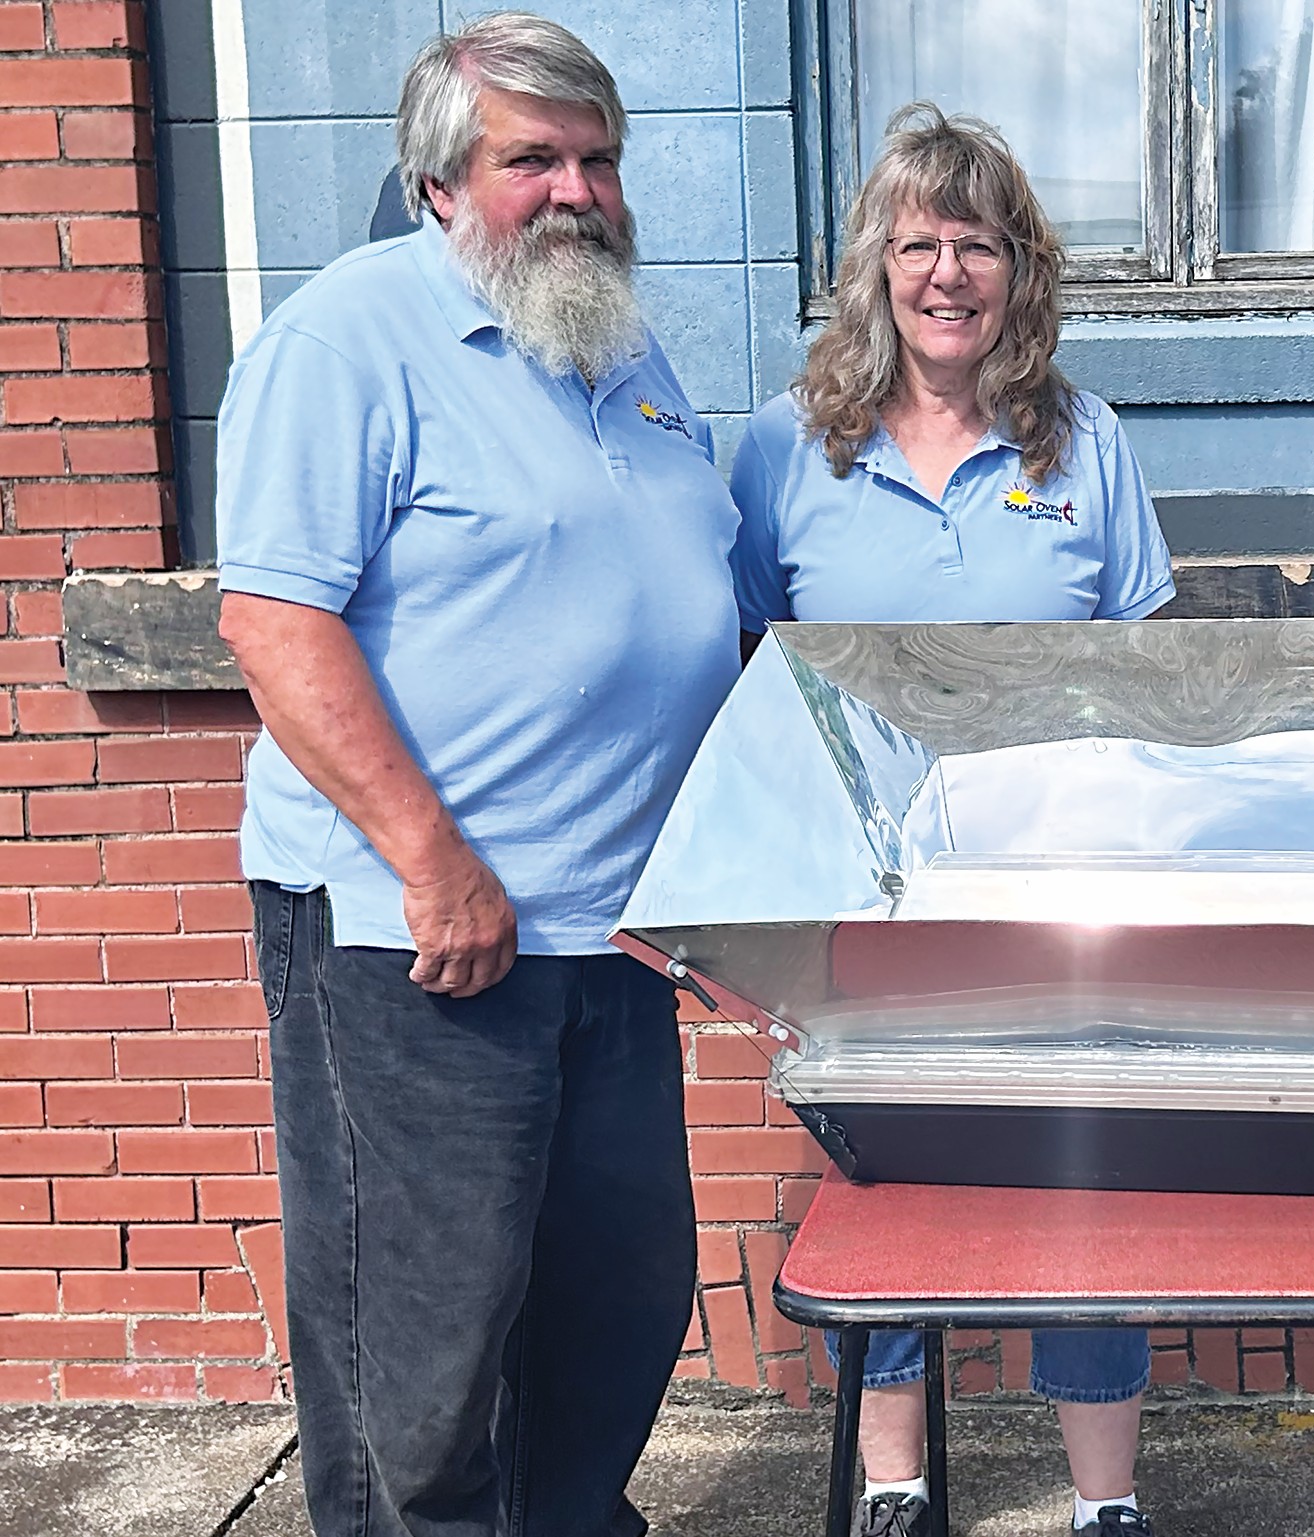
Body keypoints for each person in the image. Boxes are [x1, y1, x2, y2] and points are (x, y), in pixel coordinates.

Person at [213, 15, 738, 1536]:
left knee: (617, 1304)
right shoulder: (346, 342)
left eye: (599, 159)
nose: (577, 192)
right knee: (426, 1348)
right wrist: (434, 862)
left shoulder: (615, 347)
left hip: (613, 933)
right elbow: (274, 621)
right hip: (420, 935)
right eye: (534, 160)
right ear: (440, 182)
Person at [729, 104, 1175, 1537]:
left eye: (977, 244)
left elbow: (1145, 679)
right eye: (919, 241)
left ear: (1017, 271)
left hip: (1056, 881)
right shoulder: (786, 450)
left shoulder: (1084, 443)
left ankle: (1104, 1504)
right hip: (863, 894)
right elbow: (750, 675)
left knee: (1081, 1178)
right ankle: (895, 1488)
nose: (946, 273)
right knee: (885, 1173)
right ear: (876, 264)